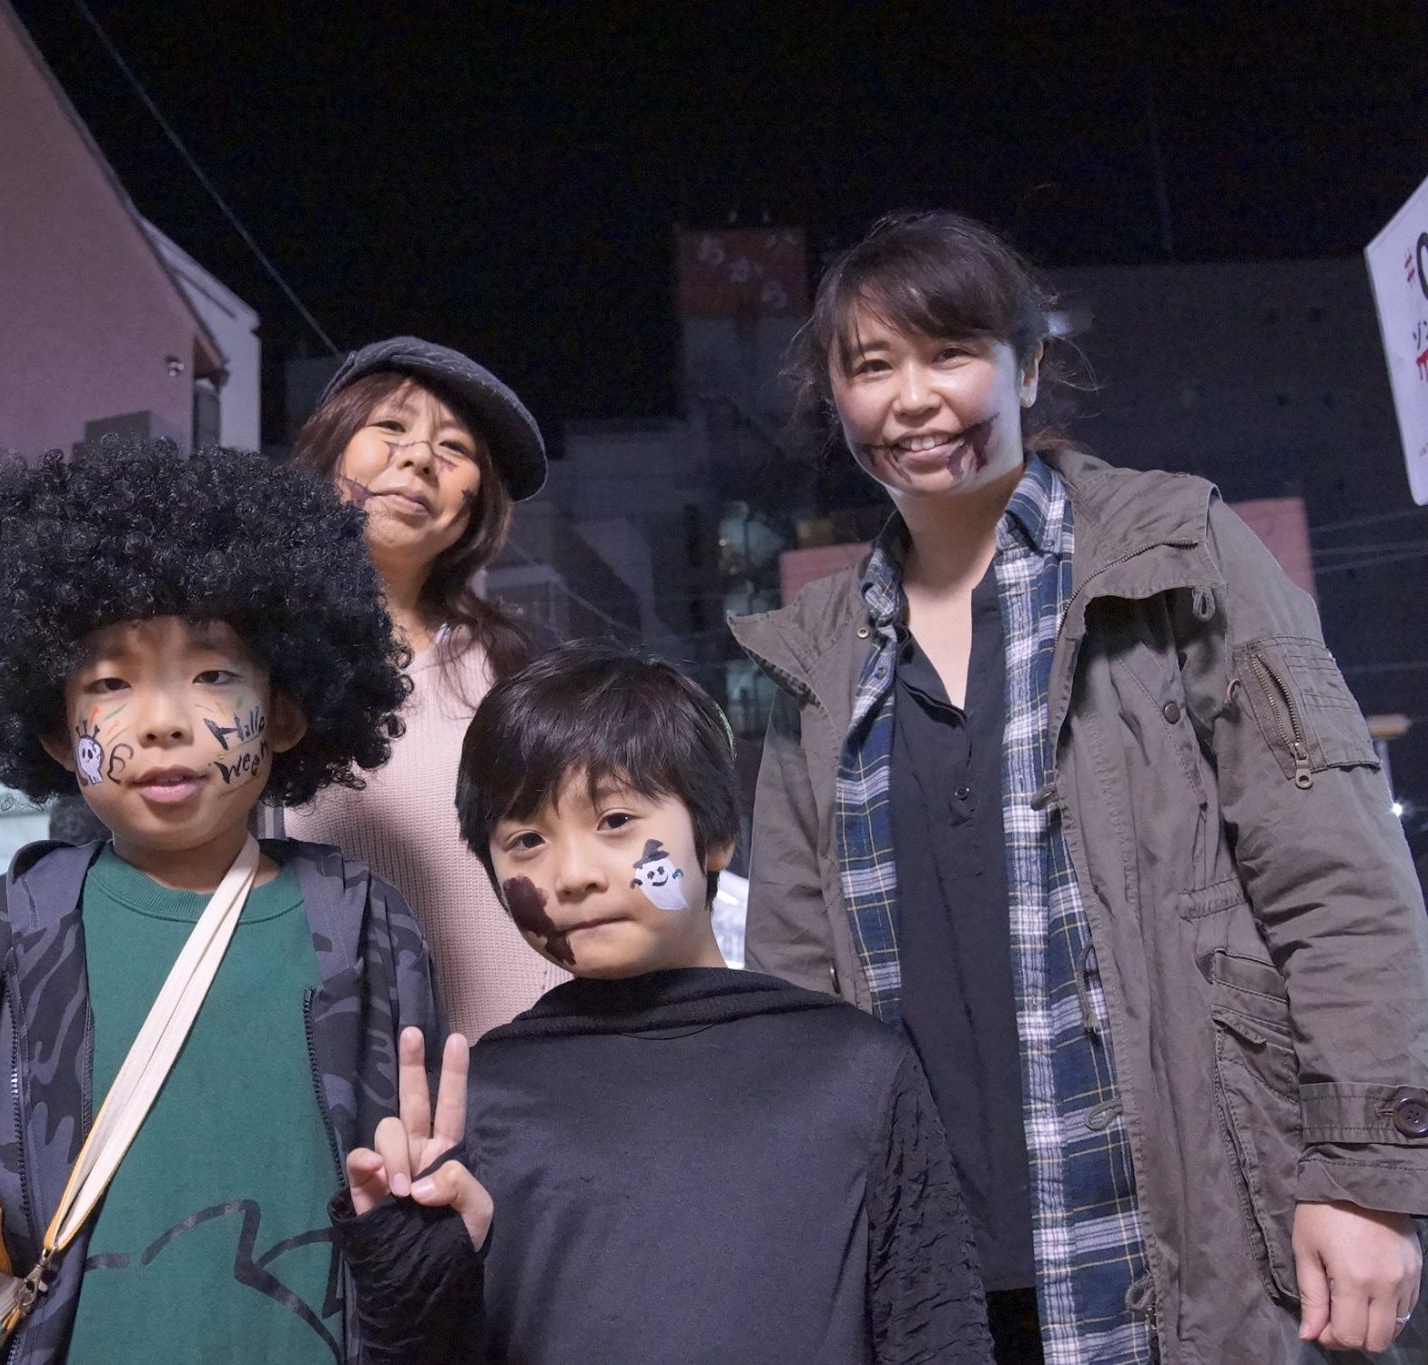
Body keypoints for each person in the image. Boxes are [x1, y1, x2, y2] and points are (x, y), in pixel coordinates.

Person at [730, 210, 1428, 1363]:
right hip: (930, 1274)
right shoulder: (819, 654)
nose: (912, 399)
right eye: (872, 366)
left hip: (1190, 1235)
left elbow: (1338, 881)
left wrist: (1364, 1180)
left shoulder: (1175, 553)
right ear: (836, 401)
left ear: (1025, 366)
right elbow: (794, 995)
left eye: (950, 353)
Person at [0, 440, 440, 1364]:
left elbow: (422, 1237)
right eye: (111, 683)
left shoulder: (366, 927)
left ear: (285, 712)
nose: (162, 720)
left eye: (213, 673)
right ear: (57, 731)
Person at [330, 641, 994, 1364]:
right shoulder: (475, 1104)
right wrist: (409, 1290)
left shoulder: (859, 1070)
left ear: (717, 835)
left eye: (615, 820)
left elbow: (939, 1338)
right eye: (526, 839)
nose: (573, 874)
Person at [286, 337, 565, 1041]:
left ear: (477, 504)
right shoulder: (258, 657)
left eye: (454, 448)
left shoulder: (518, 667)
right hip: (336, 1068)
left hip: (532, 1060)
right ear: (329, 446)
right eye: (389, 426)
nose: (418, 457)